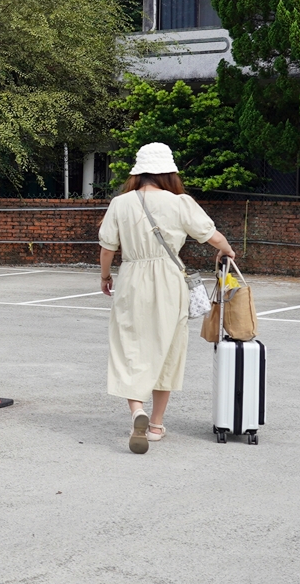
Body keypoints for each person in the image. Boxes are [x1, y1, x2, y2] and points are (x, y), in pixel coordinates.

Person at [98, 143, 236, 454]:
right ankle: (157, 425)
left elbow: (107, 248)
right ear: (168, 173)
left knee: (129, 345)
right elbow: (212, 235)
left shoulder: (120, 204)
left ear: (138, 173)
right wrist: (226, 251)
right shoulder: (180, 203)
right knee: (169, 347)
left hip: (133, 276)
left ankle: (137, 411)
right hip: (171, 281)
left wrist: (106, 276)